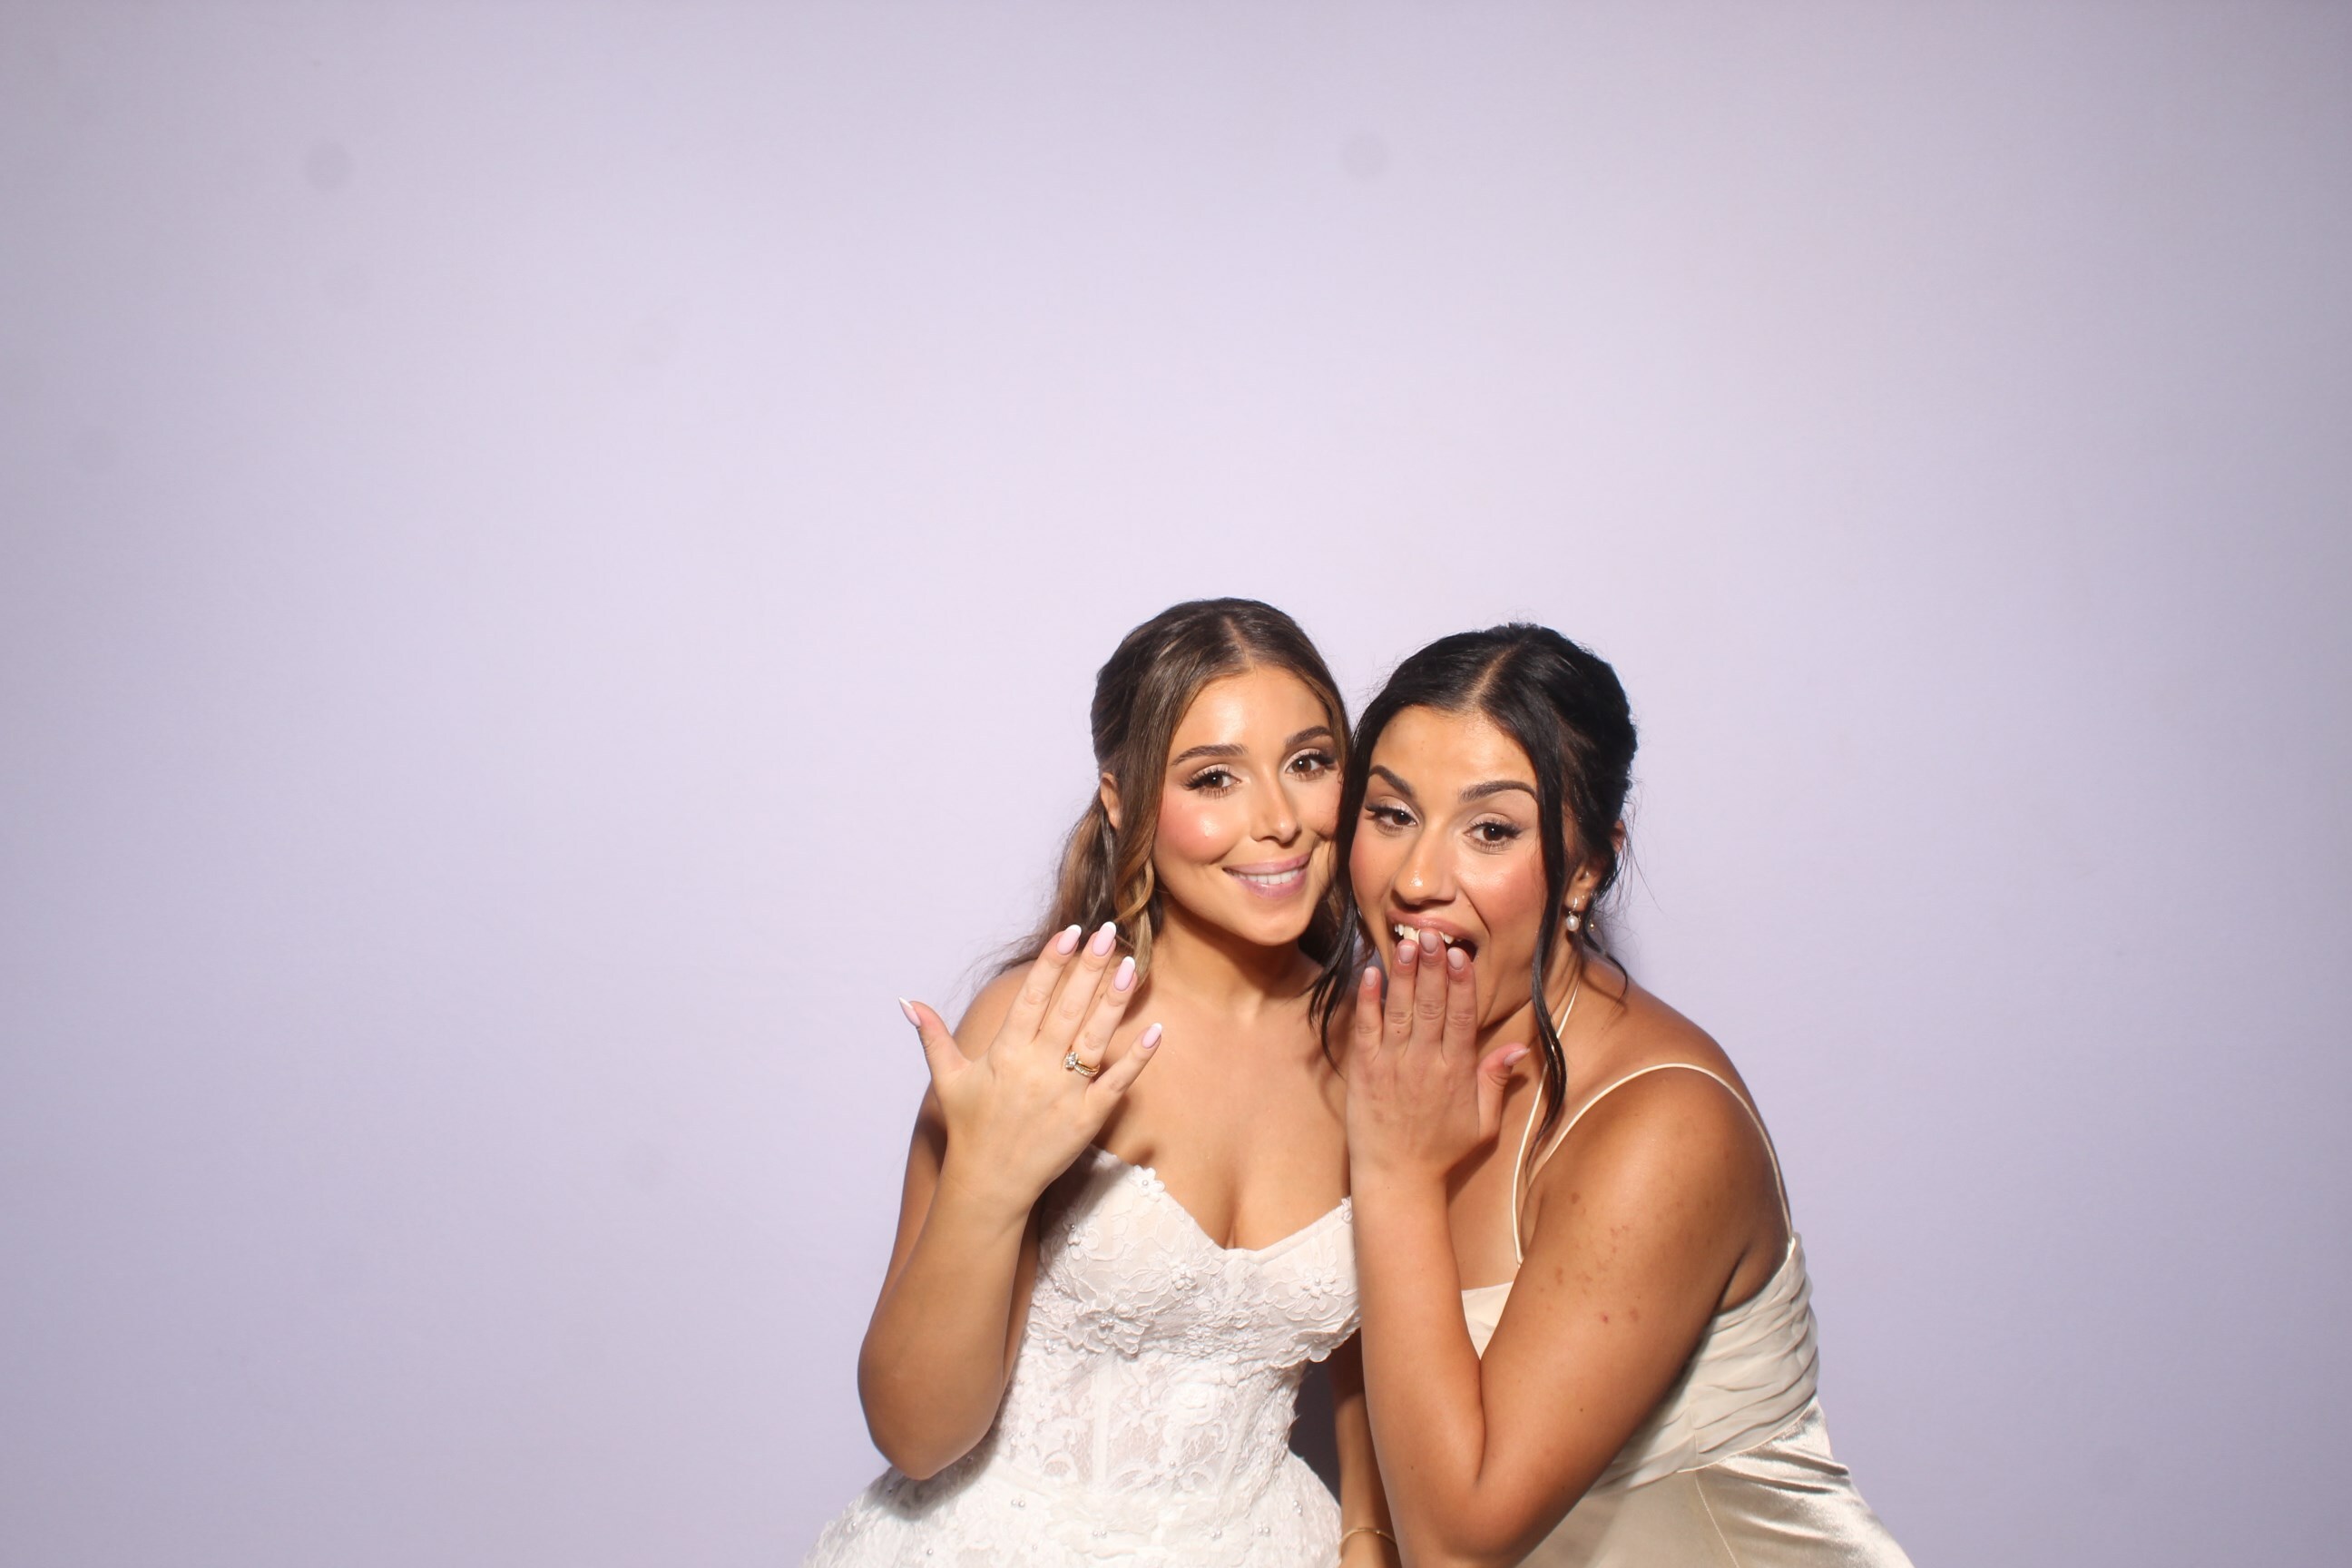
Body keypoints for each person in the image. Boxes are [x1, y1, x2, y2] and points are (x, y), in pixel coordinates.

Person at [807, 599, 1389, 1568]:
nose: (1280, 821)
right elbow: (915, 1435)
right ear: (1121, 801)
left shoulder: (1374, 1045)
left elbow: (1379, 1364)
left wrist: (1366, 1539)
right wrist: (989, 1181)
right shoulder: (1042, 1028)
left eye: (1310, 762)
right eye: (1214, 778)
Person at [1324, 624, 1911, 1567]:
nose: (1417, 879)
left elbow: (1458, 1545)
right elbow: (1373, 1329)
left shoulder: (1665, 1129)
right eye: (1391, 814)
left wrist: (1392, 1171)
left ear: (1588, 868)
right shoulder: (1387, 1046)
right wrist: (1361, 1535)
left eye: (1491, 831)